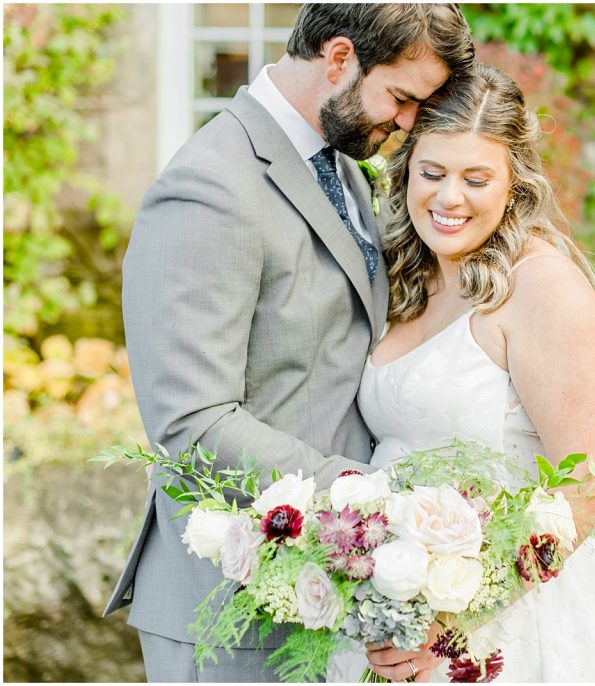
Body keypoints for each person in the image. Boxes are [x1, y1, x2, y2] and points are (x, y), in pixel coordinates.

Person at [103, 4, 474, 681]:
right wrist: (363, 495)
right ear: (338, 58)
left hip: (328, 593)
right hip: (228, 611)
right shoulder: (209, 188)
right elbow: (192, 423)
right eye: (401, 97)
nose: (409, 123)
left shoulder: (341, 169)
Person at [330, 63, 595, 682]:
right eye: (432, 173)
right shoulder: (405, 277)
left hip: (505, 626)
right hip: (395, 615)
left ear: (514, 182)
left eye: (476, 179)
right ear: (406, 173)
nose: (449, 199)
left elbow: (589, 487)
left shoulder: (543, 289)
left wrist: (452, 626)